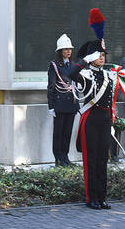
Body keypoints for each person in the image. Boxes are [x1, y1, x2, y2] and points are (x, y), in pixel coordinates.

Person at [70, 8, 113, 210]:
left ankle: (102, 197)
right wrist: (85, 60)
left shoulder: (108, 75)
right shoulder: (85, 73)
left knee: (103, 160)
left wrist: (111, 122)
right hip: (91, 119)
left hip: (104, 120)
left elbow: (110, 100)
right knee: (90, 160)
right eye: (98, 55)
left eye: (103, 54)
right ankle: (91, 198)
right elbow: (70, 73)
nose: (102, 58)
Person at [47, 34, 79, 167]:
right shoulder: (54, 65)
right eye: (65, 49)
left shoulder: (73, 65)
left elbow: (75, 85)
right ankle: (58, 158)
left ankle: (65, 157)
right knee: (58, 133)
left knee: (67, 133)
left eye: (70, 49)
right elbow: (51, 86)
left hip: (71, 104)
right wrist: (51, 106)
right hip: (59, 104)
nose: (68, 51)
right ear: (60, 51)